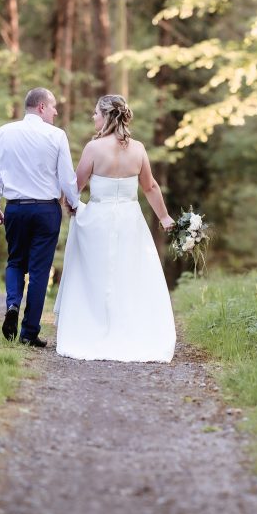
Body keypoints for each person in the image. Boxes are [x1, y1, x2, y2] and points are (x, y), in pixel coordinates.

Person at [54, 94, 176, 362]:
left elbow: (77, 185)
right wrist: (164, 217)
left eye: (96, 112)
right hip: (130, 220)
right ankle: (131, 330)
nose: (93, 117)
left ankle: (94, 327)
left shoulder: (94, 148)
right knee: (128, 273)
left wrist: (69, 204)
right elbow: (150, 187)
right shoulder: (139, 149)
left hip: (98, 218)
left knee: (97, 275)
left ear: (107, 116)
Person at [0, 87, 79, 347]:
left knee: (15, 261)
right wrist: (74, 204)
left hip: (15, 208)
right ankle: (29, 332)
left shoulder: (3, 133)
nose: (56, 111)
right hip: (46, 211)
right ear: (41, 107)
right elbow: (66, 177)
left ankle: (13, 304)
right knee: (39, 271)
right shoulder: (56, 135)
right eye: (53, 107)